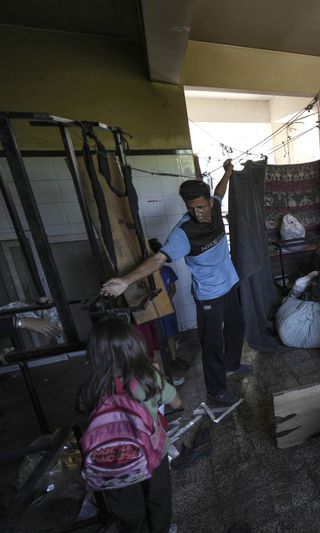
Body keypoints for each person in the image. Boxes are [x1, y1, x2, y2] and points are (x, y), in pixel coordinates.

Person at [101, 159, 248, 406]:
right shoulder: (183, 233)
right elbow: (158, 259)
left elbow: (220, 190)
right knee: (212, 343)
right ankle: (216, 390)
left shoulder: (214, 203)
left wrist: (229, 172)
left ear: (208, 202)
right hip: (209, 294)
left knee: (236, 328)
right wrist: (126, 281)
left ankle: (232, 365)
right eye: (191, 209)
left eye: (201, 207)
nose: (198, 213)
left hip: (230, 283)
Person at [79, 318, 182, 533]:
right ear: (134, 346)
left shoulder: (91, 388)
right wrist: (159, 377)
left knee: (128, 511)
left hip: (114, 464)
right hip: (153, 455)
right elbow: (177, 402)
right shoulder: (147, 377)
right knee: (159, 499)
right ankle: (161, 529)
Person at [148, 238, 190, 375]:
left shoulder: (167, 271)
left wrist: (167, 301)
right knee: (157, 336)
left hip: (167, 307)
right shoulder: (148, 274)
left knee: (170, 334)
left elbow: (172, 288)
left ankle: (173, 358)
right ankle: (162, 362)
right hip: (153, 310)